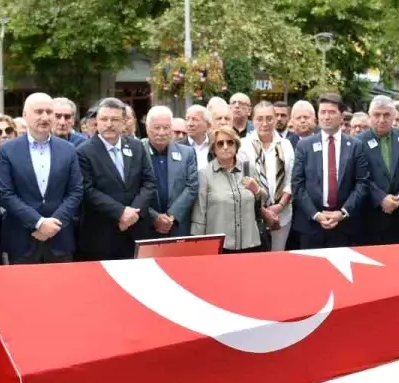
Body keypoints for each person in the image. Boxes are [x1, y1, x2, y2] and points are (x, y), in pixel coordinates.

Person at [0, 93, 83, 264]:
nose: (45, 117)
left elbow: (76, 191)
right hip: (22, 241)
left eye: (49, 112)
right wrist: (38, 223)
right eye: (38, 112)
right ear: (25, 115)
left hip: (60, 240)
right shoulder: (8, 150)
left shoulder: (68, 149)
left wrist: (53, 224)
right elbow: (4, 193)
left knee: (61, 290)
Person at [76, 97, 156, 261]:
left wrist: (133, 213)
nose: (109, 124)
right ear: (96, 122)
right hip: (101, 236)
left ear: (124, 122)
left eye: (115, 119)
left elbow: (149, 182)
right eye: (104, 119)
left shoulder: (136, 147)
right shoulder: (83, 152)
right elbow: (87, 190)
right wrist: (120, 213)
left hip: (136, 232)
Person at [290, 92, 367, 249]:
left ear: (341, 116)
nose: (326, 117)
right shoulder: (304, 146)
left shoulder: (355, 146)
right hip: (311, 225)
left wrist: (343, 213)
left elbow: (362, 183)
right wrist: (316, 215)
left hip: (345, 225)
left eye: (331, 112)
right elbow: (297, 184)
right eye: (322, 112)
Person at [192, 127, 270, 253]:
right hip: (221, 245)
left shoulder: (248, 169)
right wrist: (199, 244)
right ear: (213, 149)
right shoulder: (205, 174)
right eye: (220, 143)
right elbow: (200, 213)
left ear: (236, 145)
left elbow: (264, 200)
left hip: (250, 242)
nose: (225, 146)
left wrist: (256, 189)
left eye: (230, 142)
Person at [355, 95, 399, 245]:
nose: (382, 119)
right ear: (370, 116)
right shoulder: (358, 142)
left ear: (394, 116)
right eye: (377, 115)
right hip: (371, 216)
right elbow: (360, 176)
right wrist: (381, 198)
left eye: (386, 115)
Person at [239, 101, 295, 250]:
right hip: (254, 213)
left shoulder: (286, 145)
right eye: (260, 118)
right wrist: (264, 211)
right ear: (253, 120)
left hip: (281, 214)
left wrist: (280, 206)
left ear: (276, 119)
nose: (265, 123)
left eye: (269, 118)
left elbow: (291, 180)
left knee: (278, 256)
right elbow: (243, 182)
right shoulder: (243, 145)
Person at [142, 106, 198, 239]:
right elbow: (132, 190)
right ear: (147, 128)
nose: (161, 132)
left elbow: (192, 187)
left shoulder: (187, 153)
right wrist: (154, 217)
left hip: (177, 226)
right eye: (156, 127)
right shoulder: (137, 152)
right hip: (145, 225)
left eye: (166, 127)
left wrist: (170, 217)